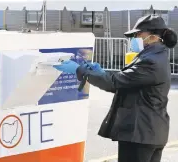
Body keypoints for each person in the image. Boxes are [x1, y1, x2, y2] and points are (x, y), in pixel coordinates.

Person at [53, 14, 178, 162]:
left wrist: (80, 70)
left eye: (138, 34)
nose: (134, 38)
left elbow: (115, 82)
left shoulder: (150, 61)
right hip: (150, 133)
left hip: (140, 134)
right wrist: (100, 73)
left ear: (153, 36)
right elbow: (126, 81)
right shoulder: (156, 56)